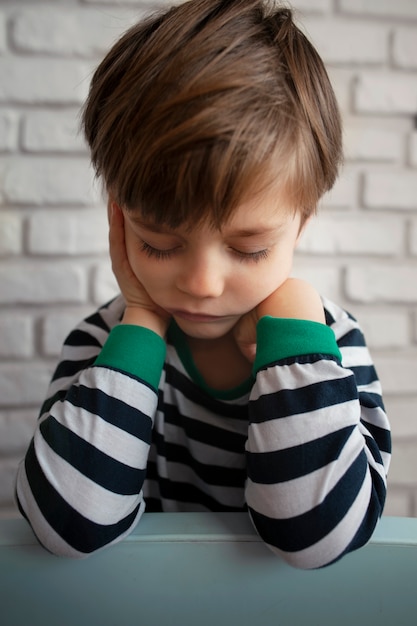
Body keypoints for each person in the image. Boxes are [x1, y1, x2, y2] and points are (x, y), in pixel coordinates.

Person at [15, 0, 391, 569]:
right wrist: (139, 321)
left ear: (302, 222)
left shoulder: (327, 347)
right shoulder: (106, 343)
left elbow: (317, 536)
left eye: (249, 248)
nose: (201, 283)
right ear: (120, 218)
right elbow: (69, 525)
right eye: (158, 242)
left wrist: (293, 332)